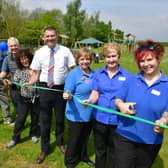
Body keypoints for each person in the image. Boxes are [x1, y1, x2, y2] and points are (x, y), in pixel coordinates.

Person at [114, 40, 168, 168]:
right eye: (142, 61)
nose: (146, 64)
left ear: (158, 58)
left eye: (149, 60)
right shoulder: (131, 80)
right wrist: (121, 105)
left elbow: (167, 112)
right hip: (125, 135)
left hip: (150, 140)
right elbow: (118, 99)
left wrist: (163, 121)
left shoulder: (166, 85)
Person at [26, 26, 75, 164]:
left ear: (57, 36)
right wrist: (29, 83)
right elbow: (35, 73)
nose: (50, 38)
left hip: (60, 90)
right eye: (47, 36)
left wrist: (72, 87)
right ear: (44, 37)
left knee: (60, 119)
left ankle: (60, 143)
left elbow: (72, 70)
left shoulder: (65, 51)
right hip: (45, 89)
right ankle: (44, 148)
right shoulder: (39, 52)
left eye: (52, 35)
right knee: (45, 121)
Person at [85, 42, 131, 168]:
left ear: (119, 56)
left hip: (117, 120)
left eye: (113, 56)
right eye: (108, 57)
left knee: (113, 150)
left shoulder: (127, 76)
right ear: (104, 58)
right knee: (100, 150)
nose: (111, 60)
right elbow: (95, 93)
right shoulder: (98, 74)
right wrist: (90, 101)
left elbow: (129, 98)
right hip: (100, 118)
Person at [63, 48, 95, 168]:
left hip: (89, 113)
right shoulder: (73, 74)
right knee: (74, 139)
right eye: (82, 59)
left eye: (87, 59)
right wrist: (67, 95)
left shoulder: (93, 73)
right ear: (77, 60)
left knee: (85, 138)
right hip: (76, 114)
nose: (85, 61)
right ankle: (70, 162)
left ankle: (83, 156)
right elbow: (68, 91)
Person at [6, 48, 40, 148]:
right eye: (22, 59)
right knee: (20, 119)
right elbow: (13, 83)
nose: (24, 61)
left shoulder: (37, 70)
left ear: (30, 58)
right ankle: (15, 138)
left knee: (35, 118)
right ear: (19, 61)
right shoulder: (19, 71)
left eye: (26, 58)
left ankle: (33, 134)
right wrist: (8, 83)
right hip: (24, 99)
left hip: (37, 98)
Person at [0, 37, 20, 116]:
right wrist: (1, 78)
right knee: (16, 104)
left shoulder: (24, 55)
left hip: (26, 85)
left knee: (29, 105)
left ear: (18, 45)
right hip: (14, 85)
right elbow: (4, 72)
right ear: (8, 47)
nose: (13, 47)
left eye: (15, 45)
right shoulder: (7, 59)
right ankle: (19, 119)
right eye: (11, 46)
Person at [0, 48, 12, 125]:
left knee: (4, 100)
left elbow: (5, 69)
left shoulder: (4, 55)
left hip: (1, 80)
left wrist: (5, 78)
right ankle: (6, 118)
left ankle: (6, 118)